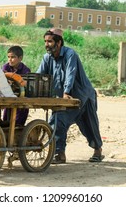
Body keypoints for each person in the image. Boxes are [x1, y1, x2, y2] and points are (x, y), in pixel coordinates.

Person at [36, 28, 104, 164]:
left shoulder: (70, 54)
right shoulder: (47, 58)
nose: (46, 44)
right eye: (45, 41)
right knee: (57, 120)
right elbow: (39, 76)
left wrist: (66, 92)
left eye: (49, 41)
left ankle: (98, 150)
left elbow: (70, 74)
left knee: (90, 124)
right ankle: (59, 153)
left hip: (83, 95)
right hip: (64, 98)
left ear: (59, 42)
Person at [2, 45, 31, 126]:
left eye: (13, 57)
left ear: (20, 58)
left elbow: (26, 83)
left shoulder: (25, 70)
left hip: (21, 99)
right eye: (8, 57)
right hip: (8, 97)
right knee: (6, 121)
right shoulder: (6, 67)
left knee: (18, 123)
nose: (10, 60)